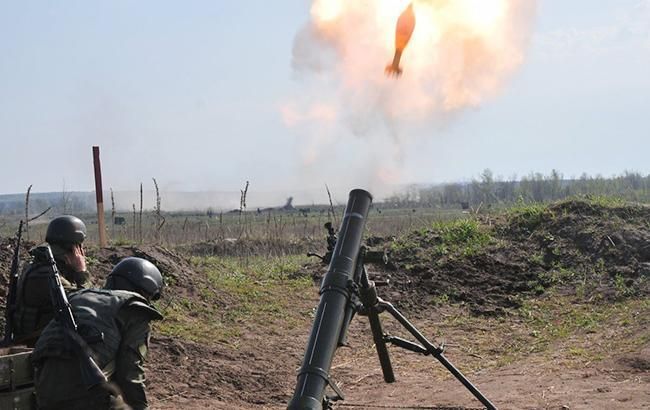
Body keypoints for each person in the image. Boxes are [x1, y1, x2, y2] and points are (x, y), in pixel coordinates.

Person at [31, 257, 164, 410]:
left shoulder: (77, 297)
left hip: (45, 394)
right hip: (86, 397)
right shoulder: (135, 311)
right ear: (145, 289)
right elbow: (130, 374)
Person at [12, 215, 92, 346]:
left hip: (39, 339)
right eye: (80, 246)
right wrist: (81, 272)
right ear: (74, 248)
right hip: (41, 344)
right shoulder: (48, 277)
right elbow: (88, 305)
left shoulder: (39, 267)